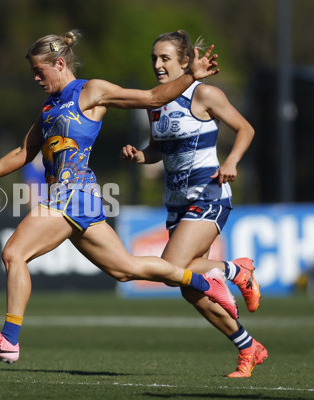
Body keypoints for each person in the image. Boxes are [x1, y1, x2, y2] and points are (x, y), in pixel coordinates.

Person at [0, 30, 238, 367]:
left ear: (60, 63)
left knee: (14, 253)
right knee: (126, 269)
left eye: (40, 71)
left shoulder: (91, 91)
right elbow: (23, 152)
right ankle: (206, 281)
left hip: (72, 193)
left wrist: (192, 76)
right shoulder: (50, 106)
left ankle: (8, 340)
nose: (36, 78)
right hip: (78, 199)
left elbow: (152, 98)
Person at [120, 30, 265, 378]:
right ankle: (249, 348)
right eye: (154, 58)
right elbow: (158, 149)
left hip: (209, 194)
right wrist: (140, 156)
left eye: (165, 58)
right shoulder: (154, 103)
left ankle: (235, 271)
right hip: (176, 203)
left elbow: (245, 129)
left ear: (185, 62)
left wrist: (231, 162)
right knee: (186, 287)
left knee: (171, 266)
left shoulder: (204, 94)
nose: (157, 64)